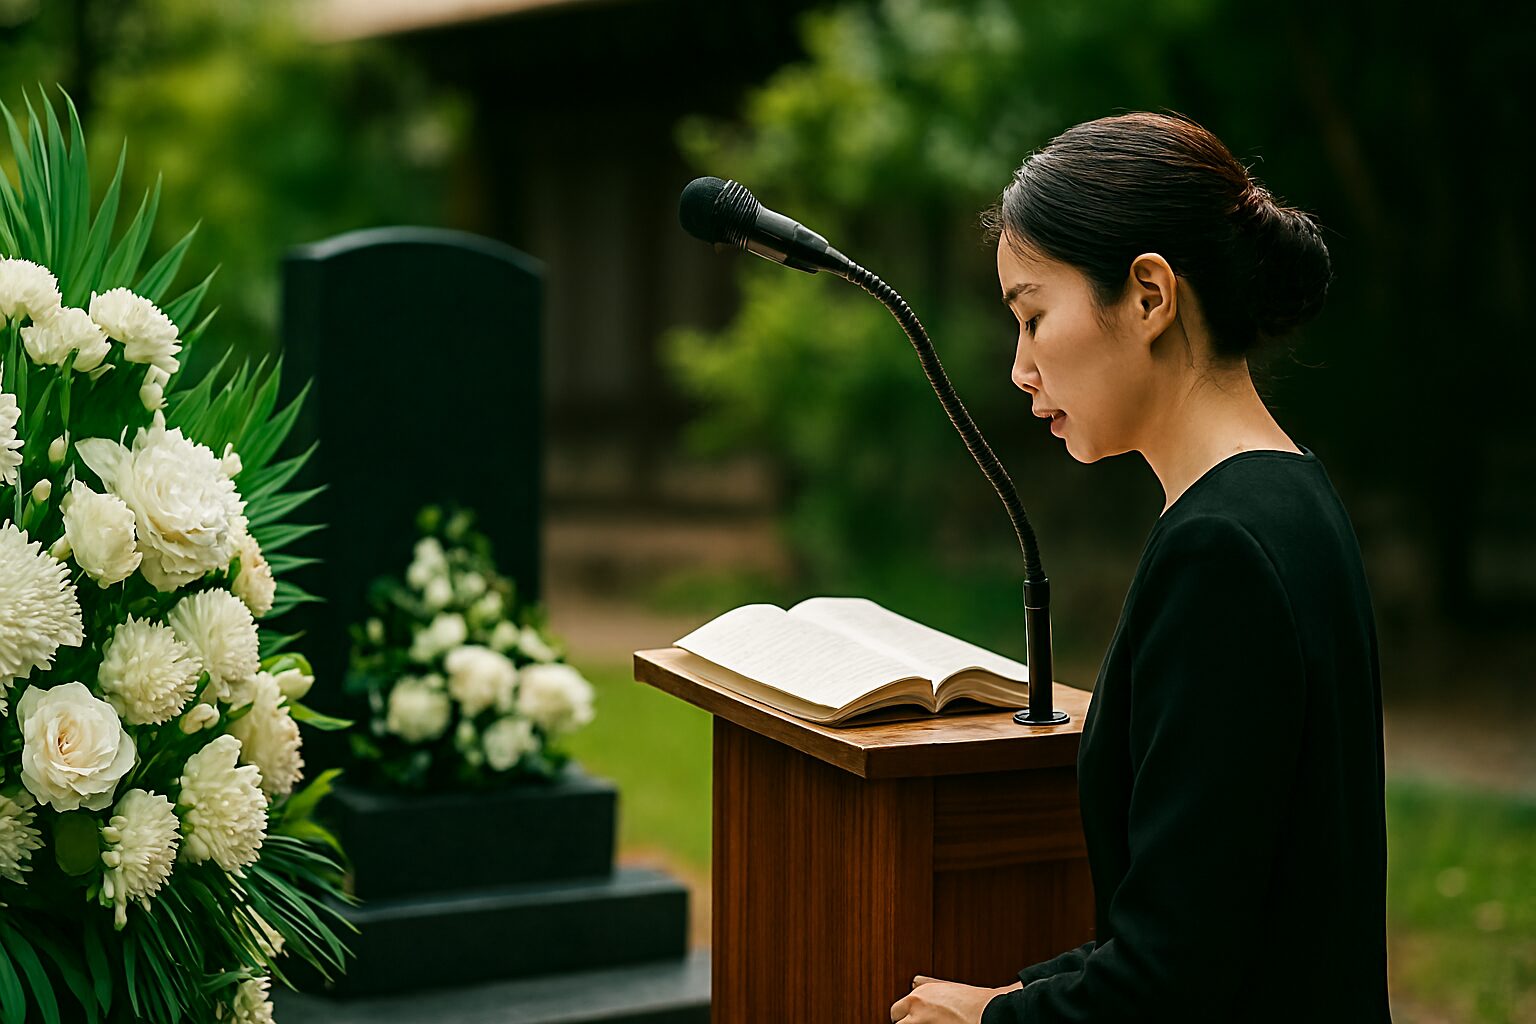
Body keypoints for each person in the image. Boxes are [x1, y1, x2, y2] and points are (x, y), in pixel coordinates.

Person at [888, 111, 1391, 1023]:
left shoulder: (1220, 551)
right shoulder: (1292, 500)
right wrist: (1024, 991)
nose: (1020, 368)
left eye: (1034, 314)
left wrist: (992, 1019)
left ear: (1151, 296)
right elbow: (1229, 912)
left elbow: (1179, 977)